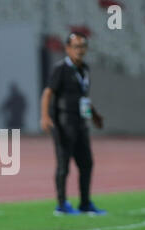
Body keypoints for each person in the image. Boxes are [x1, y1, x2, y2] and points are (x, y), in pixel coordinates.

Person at [40, 32, 106, 216]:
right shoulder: (61, 68)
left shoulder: (84, 69)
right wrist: (45, 116)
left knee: (86, 163)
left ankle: (85, 203)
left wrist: (94, 115)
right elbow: (48, 93)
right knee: (63, 165)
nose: (79, 50)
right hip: (63, 123)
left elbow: (82, 97)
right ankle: (61, 205)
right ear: (68, 49)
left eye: (82, 46)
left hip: (81, 123)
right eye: (76, 46)